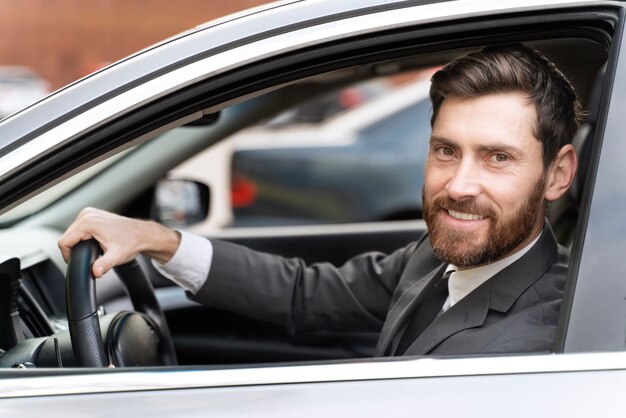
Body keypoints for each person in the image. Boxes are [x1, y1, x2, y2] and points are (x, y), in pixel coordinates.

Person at [58, 44, 581, 356]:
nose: (460, 185)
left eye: (497, 158)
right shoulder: (435, 257)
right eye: (446, 151)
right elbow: (305, 295)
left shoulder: (549, 335)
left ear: (557, 175)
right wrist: (157, 239)